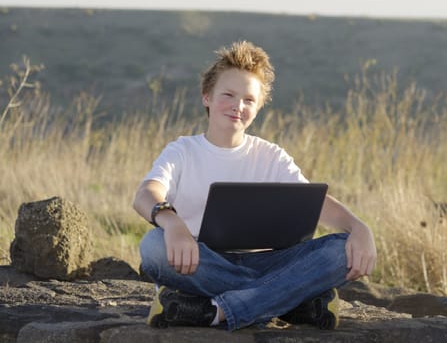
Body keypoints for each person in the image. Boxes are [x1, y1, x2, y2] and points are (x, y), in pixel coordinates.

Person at [133, 40, 377, 331]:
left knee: (340, 249)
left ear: (258, 107)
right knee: (153, 246)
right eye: (228, 95)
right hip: (200, 261)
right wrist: (173, 225)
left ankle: (215, 311)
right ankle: (294, 301)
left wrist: (360, 227)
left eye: (249, 100)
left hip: (269, 263)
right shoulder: (182, 150)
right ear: (207, 97)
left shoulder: (271, 155)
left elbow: (316, 204)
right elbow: (146, 194)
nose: (238, 106)